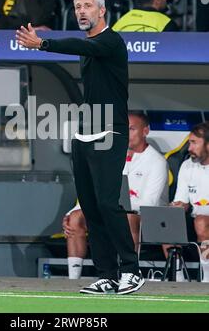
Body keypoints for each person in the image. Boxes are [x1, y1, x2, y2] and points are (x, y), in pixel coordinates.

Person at [16, 0, 145, 295]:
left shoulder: (110, 41)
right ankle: (108, 274)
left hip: (109, 130)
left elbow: (80, 45)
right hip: (85, 132)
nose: (82, 11)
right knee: (89, 205)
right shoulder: (89, 45)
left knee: (106, 202)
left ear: (102, 11)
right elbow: (81, 46)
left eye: (88, 6)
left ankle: (131, 270)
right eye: (77, 7)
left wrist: (43, 43)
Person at [63, 112, 169, 279]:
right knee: (76, 218)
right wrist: (72, 211)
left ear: (145, 131)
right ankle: (73, 277)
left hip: (148, 217)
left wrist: (114, 208)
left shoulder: (157, 161)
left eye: (132, 129)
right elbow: (95, 191)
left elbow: (150, 203)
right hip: (112, 209)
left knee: (127, 218)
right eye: (123, 129)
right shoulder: (113, 157)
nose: (127, 134)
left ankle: (128, 273)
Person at [164, 122, 209, 283]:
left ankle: (206, 277)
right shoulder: (187, 165)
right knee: (168, 220)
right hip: (196, 218)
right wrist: (177, 206)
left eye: (194, 143)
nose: (189, 148)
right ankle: (179, 278)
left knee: (202, 221)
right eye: (189, 142)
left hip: (203, 220)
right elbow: (182, 199)